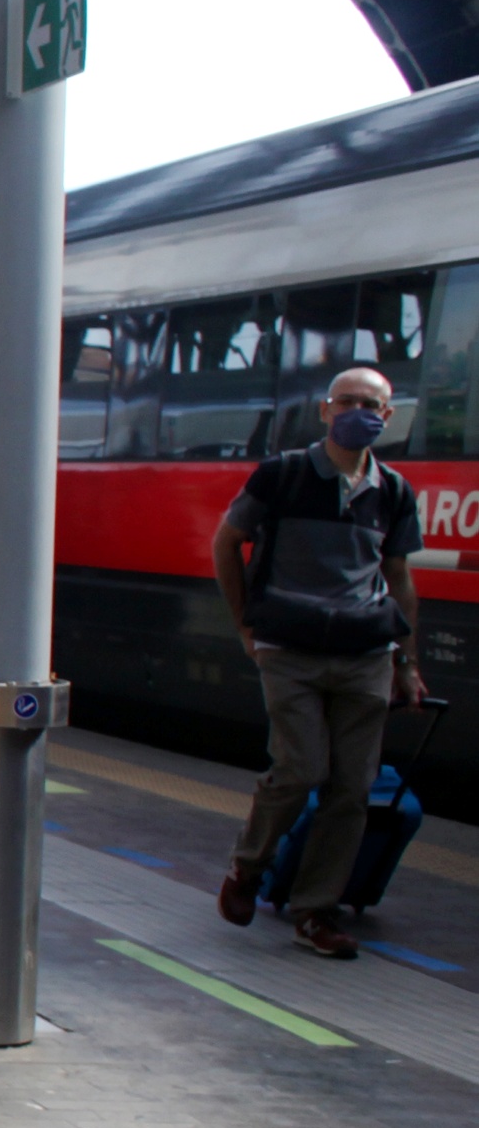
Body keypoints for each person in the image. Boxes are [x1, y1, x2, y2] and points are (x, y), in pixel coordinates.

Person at [209, 365, 432, 958]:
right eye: (348, 401)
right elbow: (227, 541)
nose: (360, 412)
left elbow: (399, 576)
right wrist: (245, 627)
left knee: (351, 791)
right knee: (301, 769)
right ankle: (248, 866)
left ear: (388, 417)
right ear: (326, 411)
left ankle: (315, 911)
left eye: (373, 405)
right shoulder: (282, 475)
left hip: (366, 654)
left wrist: (406, 662)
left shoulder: (394, 490)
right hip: (291, 651)